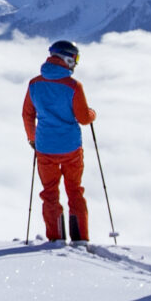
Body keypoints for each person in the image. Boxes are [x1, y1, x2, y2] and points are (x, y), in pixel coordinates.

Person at [21, 39, 96, 242]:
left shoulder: (35, 84)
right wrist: (92, 114)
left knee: (50, 193)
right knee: (75, 191)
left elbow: (27, 114)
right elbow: (83, 118)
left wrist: (33, 139)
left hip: (45, 147)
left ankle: (56, 239)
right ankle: (80, 239)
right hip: (71, 147)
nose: (76, 63)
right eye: (75, 58)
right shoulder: (73, 86)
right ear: (66, 58)